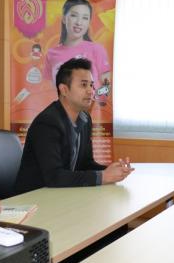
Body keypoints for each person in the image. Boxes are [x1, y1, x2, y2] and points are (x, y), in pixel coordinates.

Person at [15, 58, 133, 194]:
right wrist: (103, 177)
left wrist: (111, 171)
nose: (90, 91)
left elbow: (85, 164)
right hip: (33, 198)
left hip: (60, 194)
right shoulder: (47, 123)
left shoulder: (85, 119)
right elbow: (54, 177)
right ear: (64, 90)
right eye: (83, 85)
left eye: (91, 85)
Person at [43, 0, 111, 102]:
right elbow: (49, 91)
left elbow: (107, 87)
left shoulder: (97, 50)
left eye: (85, 18)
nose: (79, 22)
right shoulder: (51, 54)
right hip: (60, 111)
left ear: (89, 22)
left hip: (90, 109)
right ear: (64, 18)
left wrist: (93, 98)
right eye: (74, 15)